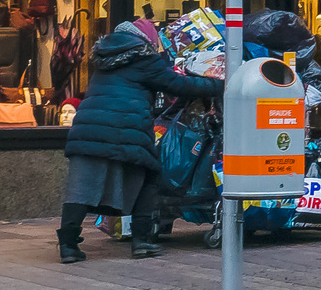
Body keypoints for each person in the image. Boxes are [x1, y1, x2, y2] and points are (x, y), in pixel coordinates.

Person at [57, 19, 223, 263]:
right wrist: (219, 84)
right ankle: (142, 242)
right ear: (146, 39)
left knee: (81, 188)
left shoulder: (104, 58)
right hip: (127, 127)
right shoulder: (144, 58)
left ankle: (68, 246)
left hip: (88, 129)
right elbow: (179, 85)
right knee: (148, 179)